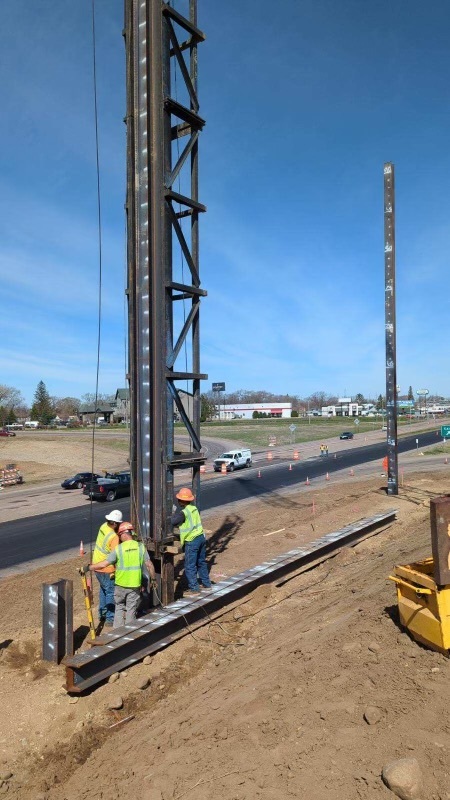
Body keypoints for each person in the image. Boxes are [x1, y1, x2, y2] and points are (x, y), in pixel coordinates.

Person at [90, 521, 156, 628]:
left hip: (120, 585)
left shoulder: (119, 549)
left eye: (120, 535)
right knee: (131, 609)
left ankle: (117, 633)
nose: (119, 537)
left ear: (124, 534)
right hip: (134, 586)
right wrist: (153, 579)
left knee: (119, 608)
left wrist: (90, 567)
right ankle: (128, 633)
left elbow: (104, 564)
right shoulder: (140, 547)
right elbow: (149, 565)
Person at [171, 487, 212, 596]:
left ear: (182, 500)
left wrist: (171, 514)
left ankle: (194, 588)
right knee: (201, 562)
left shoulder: (183, 513)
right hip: (201, 538)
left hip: (192, 541)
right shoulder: (194, 509)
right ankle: (206, 584)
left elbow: (173, 522)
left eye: (179, 499)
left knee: (189, 566)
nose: (178, 501)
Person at [91, 509, 122, 627]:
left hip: (96, 564)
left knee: (103, 590)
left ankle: (102, 613)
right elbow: (115, 556)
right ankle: (110, 618)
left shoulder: (103, 526)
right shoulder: (113, 537)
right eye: (118, 523)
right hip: (106, 568)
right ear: (114, 523)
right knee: (110, 592)